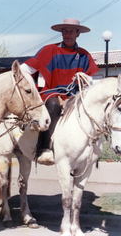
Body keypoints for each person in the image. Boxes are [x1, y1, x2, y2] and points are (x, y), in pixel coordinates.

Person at [20, 18, 99, 165]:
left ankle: (90, 149)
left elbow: (91, 83)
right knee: (54, 105)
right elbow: (24, 69)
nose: (68, 35)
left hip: (75, 96)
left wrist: (85, 78)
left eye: (71, 31)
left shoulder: (84, 55)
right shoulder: (49, 50)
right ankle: (43, 148)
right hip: (51, 93)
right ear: (61, 33)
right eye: (65, 31)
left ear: (78, 34)